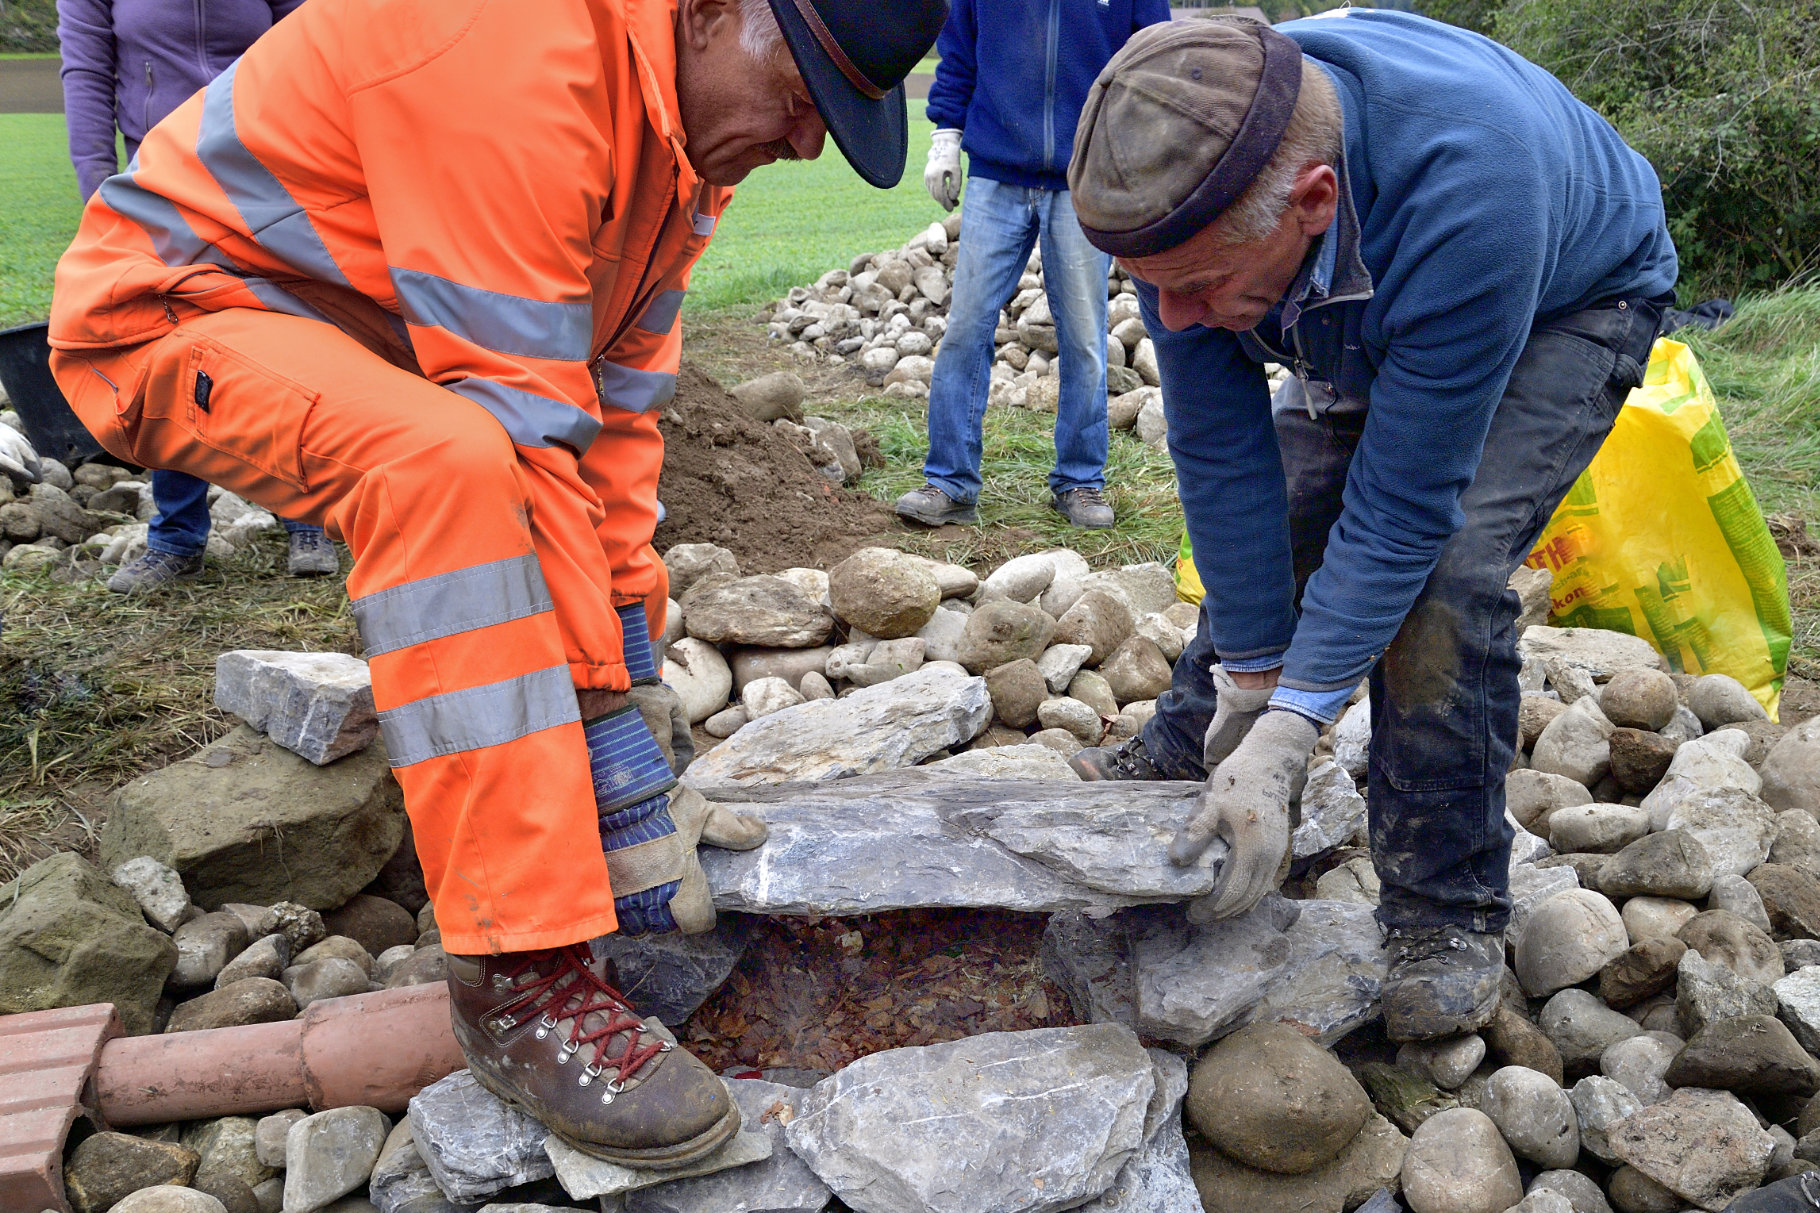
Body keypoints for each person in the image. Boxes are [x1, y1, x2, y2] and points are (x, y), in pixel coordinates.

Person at [49, 0, 944, 1164]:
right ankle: (516, 980)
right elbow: (521, 439)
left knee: (478, 469)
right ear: (717, 12)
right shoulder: (512, 46)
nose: (807, 141)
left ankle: (545, 862)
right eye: (797, 97)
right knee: (447, 471)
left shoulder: (670, 149)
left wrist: (633, 691)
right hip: (178, 305)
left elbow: (614, 431)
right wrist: (611, 772)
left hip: (364, 329)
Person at [1064, 13, 1676, 1042]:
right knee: (1301, 495)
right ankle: (1187, 737)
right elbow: (1224, 459)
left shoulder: (1470, 190)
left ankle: (1443, 905)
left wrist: (1288, 739)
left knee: (1443, 572)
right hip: (1352, 261)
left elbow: (1400, 513)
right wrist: (1250, 681)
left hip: (1564, 300)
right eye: (1150, 288)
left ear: (1310, 200)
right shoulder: (1186, 172)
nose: (1165, 323)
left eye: (1195, 289)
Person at [56, 0, 341, 591]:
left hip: (264, 170)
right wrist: (100, 194)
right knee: (171, 345)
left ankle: (304, 514)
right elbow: (86, 73)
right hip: (159, 180)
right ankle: (177, 536)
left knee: (294, 336)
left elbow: (313, 47)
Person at [892, 0, 1167, 531]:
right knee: (966, 328)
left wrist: (1138, 153)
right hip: (996, 173)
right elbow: (958, 50)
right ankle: (949, 483)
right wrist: (945, 137)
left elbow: (1155, 61)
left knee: (1085, 337)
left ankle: (1080, 483)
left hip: (1084, 176)